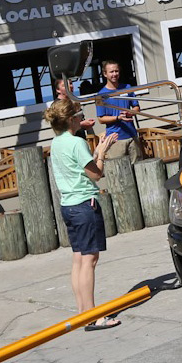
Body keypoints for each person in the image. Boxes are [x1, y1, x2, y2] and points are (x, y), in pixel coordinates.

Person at [45, 99, 119, 331]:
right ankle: (93, 315)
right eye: (79, 115)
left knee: (79, 259)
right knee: (89, 260)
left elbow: (81, 169)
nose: (81, 119)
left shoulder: (56, 142)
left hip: (68, 206)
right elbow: (96, 174)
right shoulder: (77, 143)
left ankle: (82, 312)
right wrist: (102, 153)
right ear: (71, 120)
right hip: (84, 205)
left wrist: (96, 152)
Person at [94, 60, 140, 160]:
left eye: (116, 71)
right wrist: (118, 117)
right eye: (111, 72)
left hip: (132, 135)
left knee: (138, 166)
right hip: (115, 139)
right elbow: (101, 119)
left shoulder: (127, 87)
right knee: (119, 167)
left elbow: (136, 107)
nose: (114, 74)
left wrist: (131, 112)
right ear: (105, 74)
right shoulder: (100, 95)